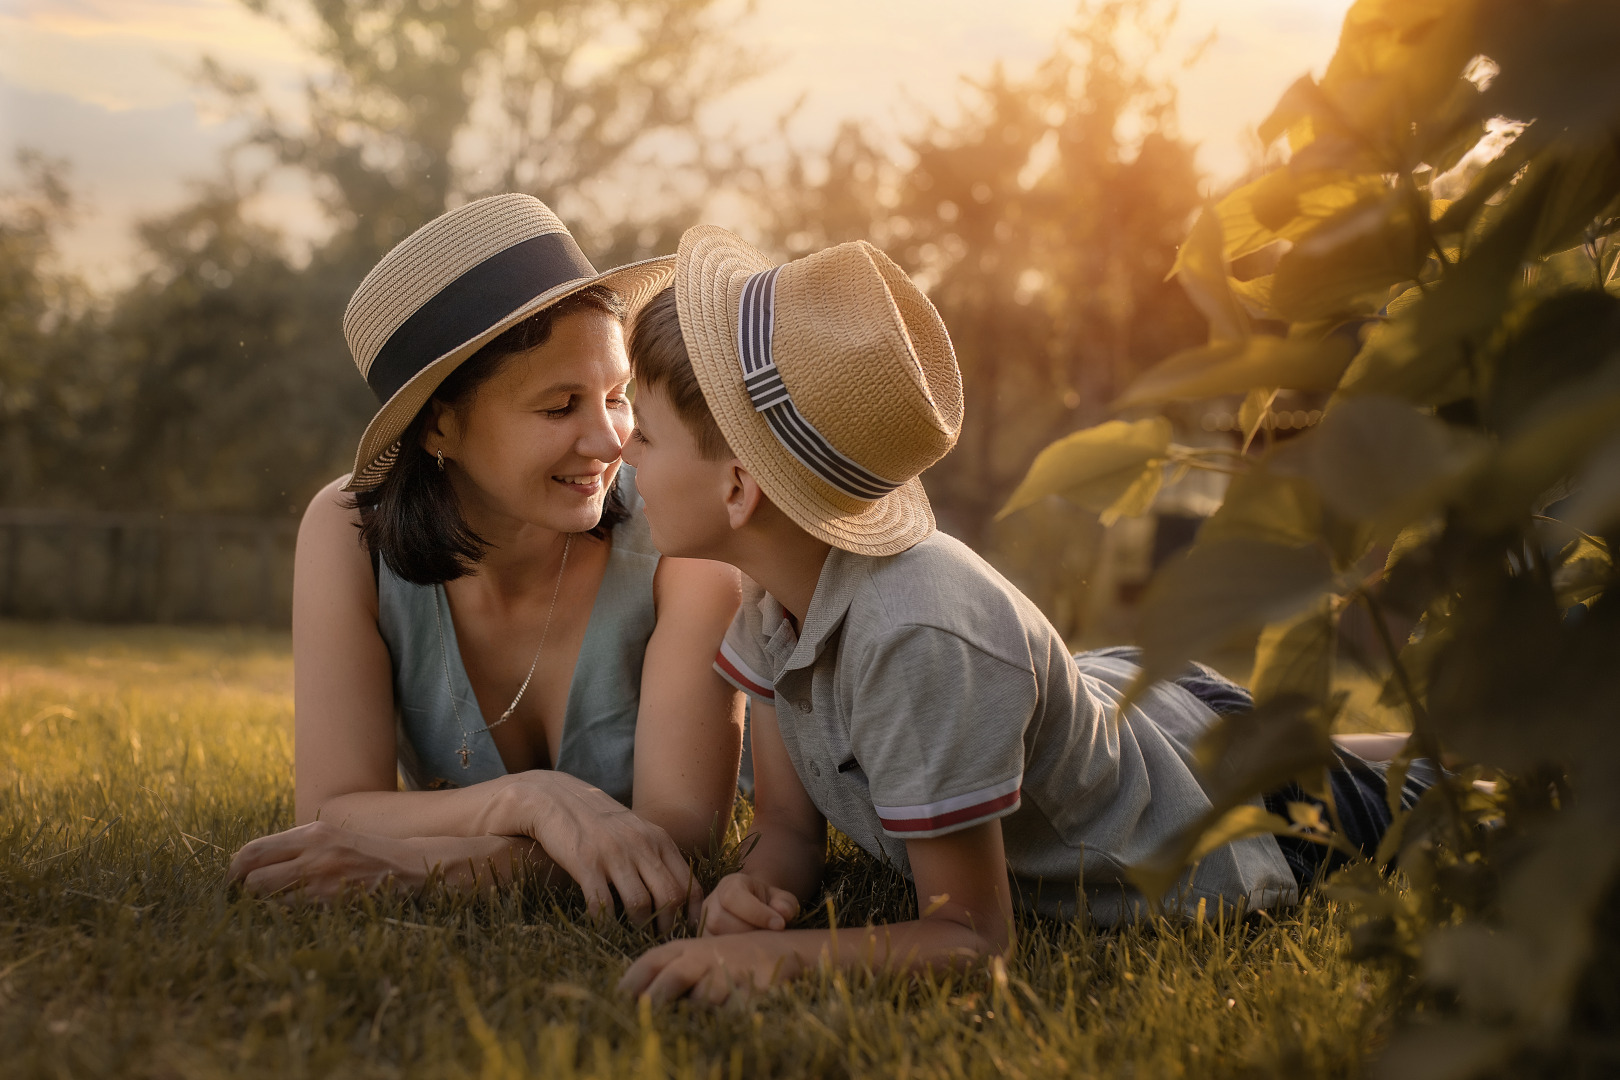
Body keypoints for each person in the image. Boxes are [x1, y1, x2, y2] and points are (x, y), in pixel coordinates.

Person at [614, 227, 1419, 1004]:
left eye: (644, 434)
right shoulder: (769, 588)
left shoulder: (912, 639)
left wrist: (780, 961)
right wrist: (756, 892)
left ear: (737, 491)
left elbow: (971, 937)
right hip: (1148, 719)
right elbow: (788, 826)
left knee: (1462, 796)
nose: (624, 452)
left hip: (1238, 808)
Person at [227, 196, 743, 931]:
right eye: (560, 406)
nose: (611, 442)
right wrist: (530, 801)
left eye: (617, 396)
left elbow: (684, 838)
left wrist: (440, 867)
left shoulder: (680, 537)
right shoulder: (347, 532)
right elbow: (331, 808)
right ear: (440, 423)